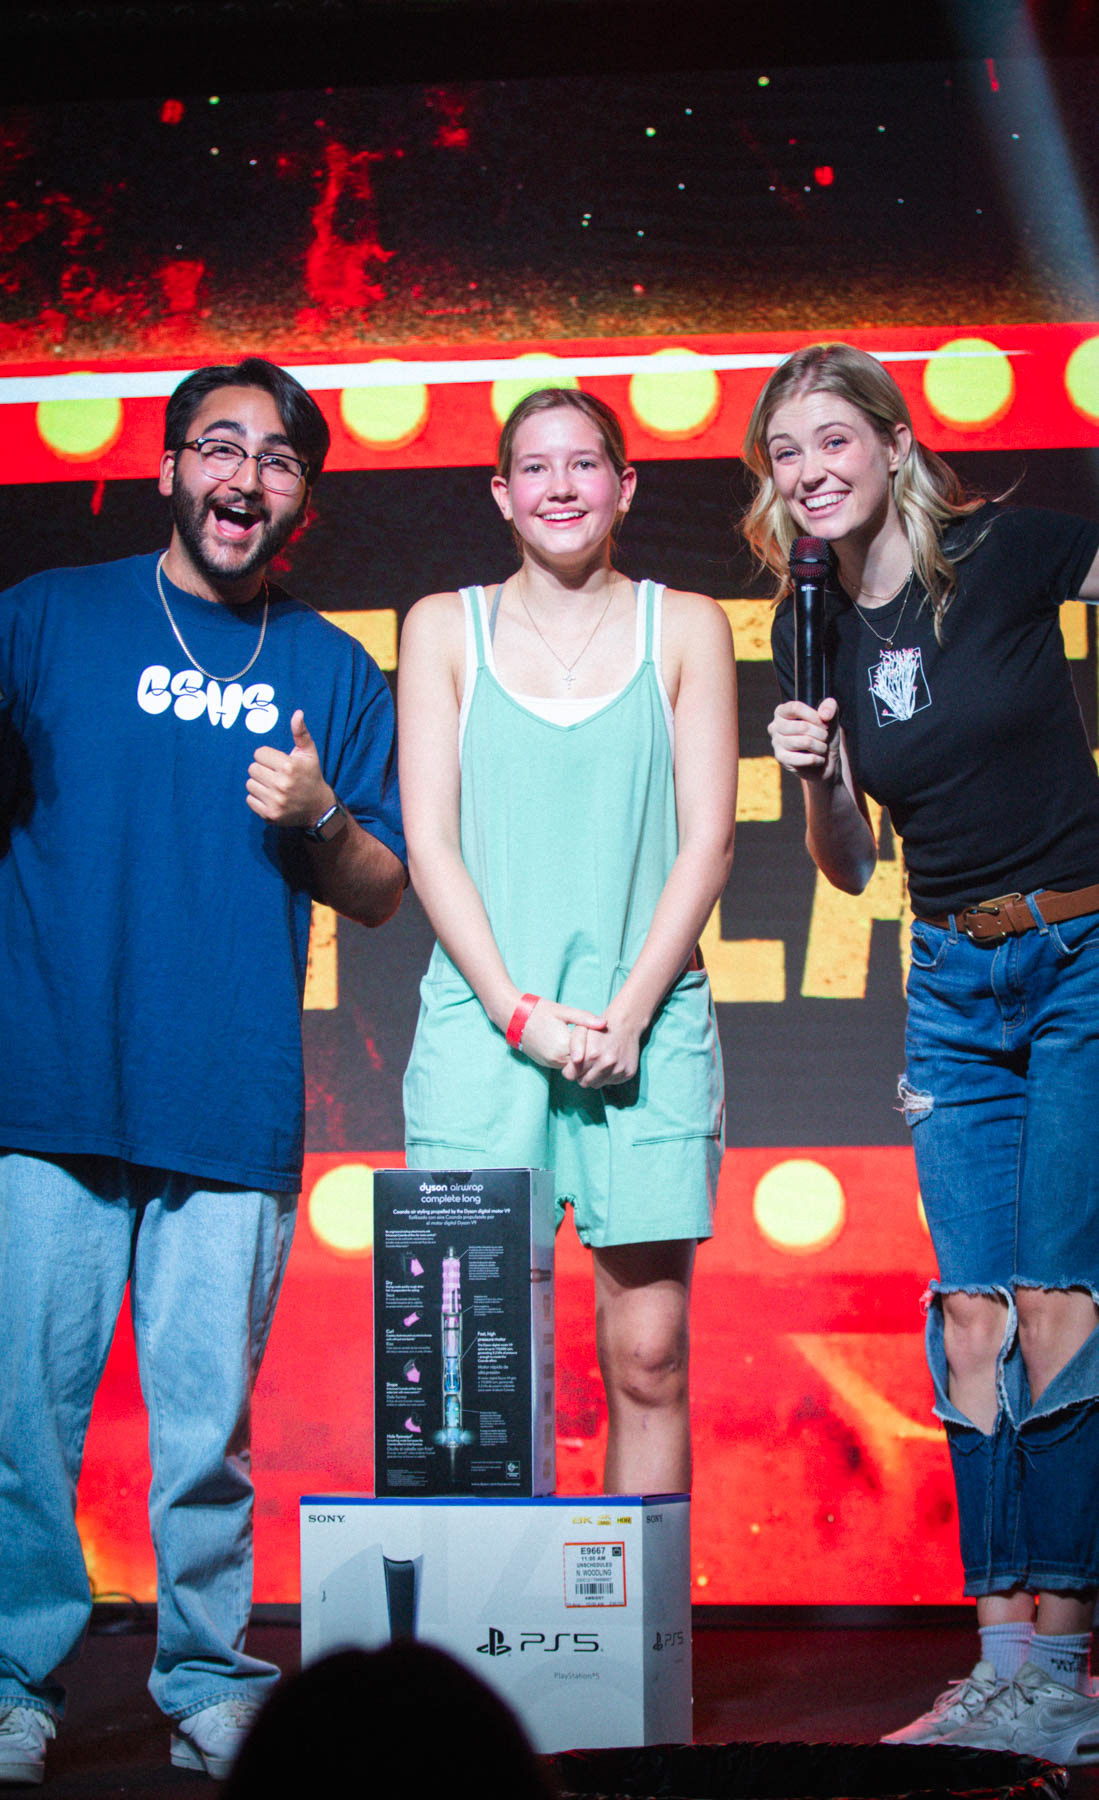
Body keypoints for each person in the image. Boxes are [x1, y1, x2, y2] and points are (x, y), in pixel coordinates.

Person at [0, 357, 406, 1785]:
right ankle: (11, 1683)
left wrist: (319, 814)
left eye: (279, 458)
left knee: (205, 1435)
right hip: (45, 1086)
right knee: (19, 1422)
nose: (246, 477)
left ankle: (208, 1677)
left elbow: (379, 891)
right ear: (170, 466)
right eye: (220, 448)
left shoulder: (330, 668)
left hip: (225, 1097)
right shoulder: (47, 617)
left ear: (302, 496)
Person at [746, 341, 1099, 1765]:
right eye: (784, 452)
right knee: (969, 1319)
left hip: (1077, 956)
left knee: (1057, 1304)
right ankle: (999, 1662)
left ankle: (1063, 1670)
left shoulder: (1004, 553)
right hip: (949, 979)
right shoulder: (811, 624)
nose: (809, 471)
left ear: (893, 444)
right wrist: (815, 778)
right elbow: (844, 865)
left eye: (832, 439)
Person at [399, 387, 737, 1494]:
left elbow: (707, 842)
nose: (560, 487)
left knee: (648, 1356)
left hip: (641, 1025)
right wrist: (517, 1014)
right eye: (534, 468)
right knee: (468, 1378)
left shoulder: (683, 625)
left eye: (583, 464)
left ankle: (631, 1611)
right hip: (486, 1026)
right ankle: (483, 1613)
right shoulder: (442, 626)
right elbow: (429, 845)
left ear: (623, 487)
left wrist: (627, 1017)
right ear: (501, 494)